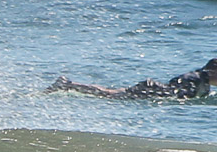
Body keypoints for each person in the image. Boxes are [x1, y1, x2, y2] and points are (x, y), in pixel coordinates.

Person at [47, 58, 217, 100]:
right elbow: (175, 90)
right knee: (110, 95)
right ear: (212, 71)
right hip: (152, 90)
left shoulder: (205, 85)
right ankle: (68, 85)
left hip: (153, 91)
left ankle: (69, 84)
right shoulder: (193, 77)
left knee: (111, 93)